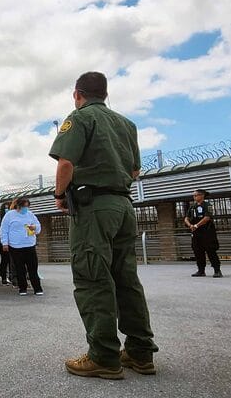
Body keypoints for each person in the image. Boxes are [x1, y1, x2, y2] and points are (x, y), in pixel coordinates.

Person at [50, 71, 158, 380]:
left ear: (77, 94)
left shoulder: (80, 118)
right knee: (126, 279)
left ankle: (103, 356)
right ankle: (140, 352)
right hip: (123, 205)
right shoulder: (126, 124)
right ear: (106, 94)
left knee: (93, 277)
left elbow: (66, 163)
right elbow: (135, 170)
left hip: (94, 208)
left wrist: (60, 195)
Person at [0, 198, 43, 296]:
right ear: (18, 206)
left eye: (27, 206)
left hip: (29, 244)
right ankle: (22, 288)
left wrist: (35, 227)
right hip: (15, 246)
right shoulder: (9, 215)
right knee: (20, 268)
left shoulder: (30, 214)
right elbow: (4, 230)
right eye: (24, 206)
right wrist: (4, 243)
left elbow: (38, 226)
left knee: (33, 268)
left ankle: (37, 288)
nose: (25, 208)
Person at [184, 189, 223, 278]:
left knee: (211, 250)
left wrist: (197, 225)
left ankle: (217, 270)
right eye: (193, 195)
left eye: (196, 195)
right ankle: (201, 270)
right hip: (196, 232)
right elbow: (186, 218)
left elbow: (207, 217)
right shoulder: (192, 206)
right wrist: (190, 225)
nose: (194, 197)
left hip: (207, 232)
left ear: (202, 195)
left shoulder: (207, 205)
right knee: (198, 251)